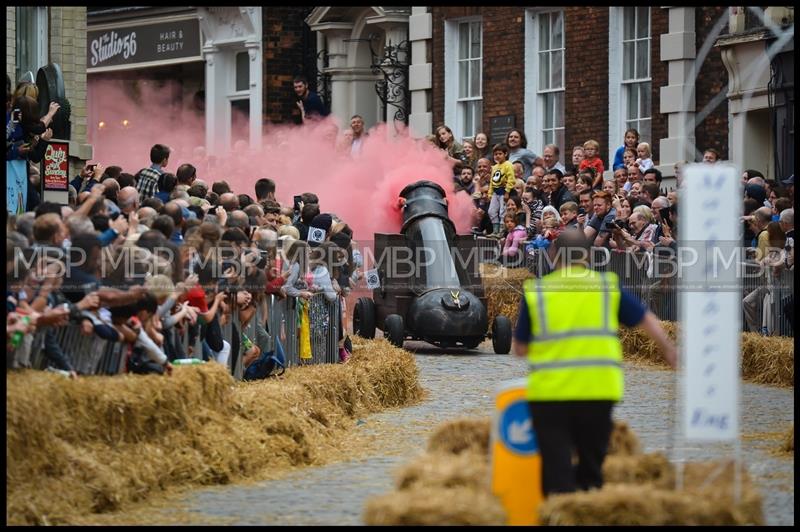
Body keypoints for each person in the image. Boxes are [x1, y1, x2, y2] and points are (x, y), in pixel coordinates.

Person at [512, 228, 677, 496]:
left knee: (556, 469)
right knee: (592, 468)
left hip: (550, 394)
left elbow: (519, 349)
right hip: (599, 391)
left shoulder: (537, 291)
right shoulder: (607, 286)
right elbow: (647, 319)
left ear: (554, 256)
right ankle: (588, 507)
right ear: (588, 256)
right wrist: (670, 351)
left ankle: (559, 513)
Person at [488, 143, 516, 235]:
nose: (497, 156)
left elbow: (511, 179)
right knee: (491, 211)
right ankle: (495, 229)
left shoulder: (508, 165)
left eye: (500, 154)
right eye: (495, 154)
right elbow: (492, 182)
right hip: (495, 192)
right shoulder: (494, 167)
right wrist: (490, 193)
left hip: (503, 191)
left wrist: (507, 191)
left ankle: (501, 230)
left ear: (505, 154)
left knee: (502, 211)